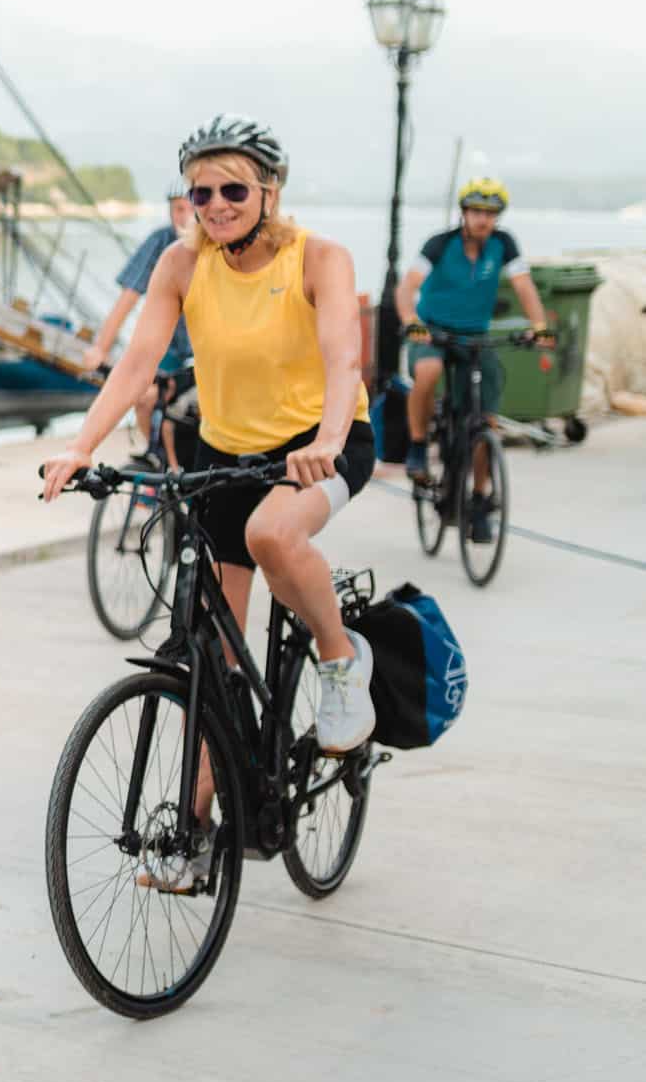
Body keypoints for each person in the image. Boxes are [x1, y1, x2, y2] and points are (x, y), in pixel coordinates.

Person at [39, 116, 377, 890]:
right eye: (201, 191)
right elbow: (137, 364)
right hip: (224, 454)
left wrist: (327, 435)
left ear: (269, 191)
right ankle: (193, 834)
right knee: (208, 660)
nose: (216, 204)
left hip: (318, 442)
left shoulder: (318, 258)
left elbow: (342, 355)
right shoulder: (180, 263)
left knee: (274, 532)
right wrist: (81, 445)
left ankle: (337, 658)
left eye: (233, 189)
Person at [395, 176, 551, 542]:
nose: (484, 220)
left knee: (484, 423)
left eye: (491, 213)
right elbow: (407, 289)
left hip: (474, 337)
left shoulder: (503, 244)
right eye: (477, 212)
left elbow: (524, 286)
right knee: (428, 370)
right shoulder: (440, 244)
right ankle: (418, 445)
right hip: (432, 330)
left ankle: (479, 500)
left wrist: (540, 325)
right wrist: (411, 322)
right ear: (464, 213)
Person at [87, 175, 197, 466]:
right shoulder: (162, 242)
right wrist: (100, 347)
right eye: (177, 209)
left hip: (203, 350)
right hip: (170, 347)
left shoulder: (213, 244)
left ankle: (179, 472)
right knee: (144, 397)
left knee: (191, 416)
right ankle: (158, 461)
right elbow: (127, 297)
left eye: (190, 208)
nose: (184, 217)